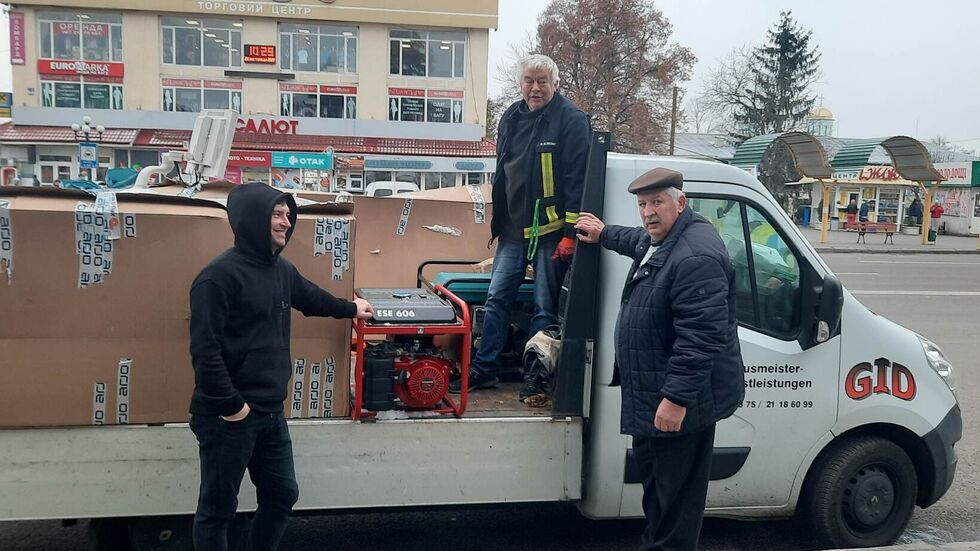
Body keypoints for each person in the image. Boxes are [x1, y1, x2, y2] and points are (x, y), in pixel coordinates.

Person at [189, 183, 373, 550]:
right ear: (251, 219)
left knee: (282, 495)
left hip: (271, 411)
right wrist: (232, 406)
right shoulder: (218, 278)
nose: (285, 222)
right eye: (276, 214)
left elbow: (311, 298)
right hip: (228, 416)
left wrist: (352, 308)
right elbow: (204, 351)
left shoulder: (281, 270)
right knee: (217, 511)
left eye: (288, 215)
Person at [574, 167, 744, 551]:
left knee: (675, 508)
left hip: (678, 405)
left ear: (680, 203)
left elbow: (701, 337)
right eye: (643, 204)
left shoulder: (695, 255)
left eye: (658, 202)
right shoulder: (668, 237)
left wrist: (676, 399)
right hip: (655, 395)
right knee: (658, 497)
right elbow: (640, 241)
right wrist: (604, 234)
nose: (649, 212)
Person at [448, 53, 591, 398]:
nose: (535, 87)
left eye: (543, 81)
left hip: (551, 232)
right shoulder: (510, 116)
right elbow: (504, 171)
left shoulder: (571, 121)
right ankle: (484, 369)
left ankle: (537, 377)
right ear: (520, 83)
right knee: (496, 297)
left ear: (556, 85)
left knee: (545, 306)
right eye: (529, 80)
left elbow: (577, 181)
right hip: (512, 230)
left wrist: (570, 235)